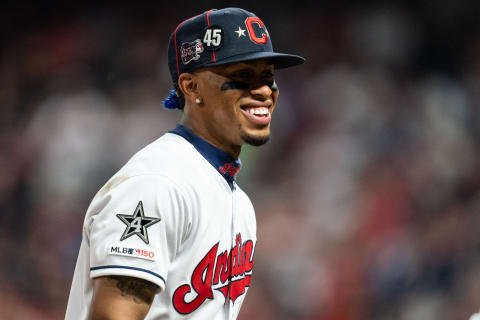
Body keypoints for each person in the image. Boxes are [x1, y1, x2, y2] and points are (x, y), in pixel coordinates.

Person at [65, 7, 305, 319]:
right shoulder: (158, 183)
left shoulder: (236, 199)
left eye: (267, 76)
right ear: (191, 87)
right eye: (243, 76)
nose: (263, 90)